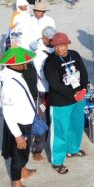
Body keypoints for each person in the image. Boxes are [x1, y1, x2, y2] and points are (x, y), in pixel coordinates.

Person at [43, 32, 89, 174]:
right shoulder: (50, 61)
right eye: (57, 46)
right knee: (60, 130)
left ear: (67, 44)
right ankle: (57, 161)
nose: (60, 49)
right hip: (61, 101)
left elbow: (83, 72)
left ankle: (72, 149)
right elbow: (54, 83)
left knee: (76, 125)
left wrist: (83, 88)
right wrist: (72, 94)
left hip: (78, 98)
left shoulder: (74, 54)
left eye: (63, 45)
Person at [0, 47, 40, 187]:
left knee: (24, 152)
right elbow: (7, 112)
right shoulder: (9, 84)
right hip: (19, 125)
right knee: (18, 155)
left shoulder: (15, 74)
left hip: (25, 121)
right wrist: (17, 135)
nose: (25, 65)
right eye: (23, 63)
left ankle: (23, 170)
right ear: (14, 65)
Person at [29, 26, 56, 162]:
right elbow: (42, 75)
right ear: (44, 37)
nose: (53, 41)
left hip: (54, 91)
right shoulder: (39, 53)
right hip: (42, 93)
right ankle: (37, 149)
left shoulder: (55, 49)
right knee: (42, 121)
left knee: (53, 120)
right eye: (51, 39)